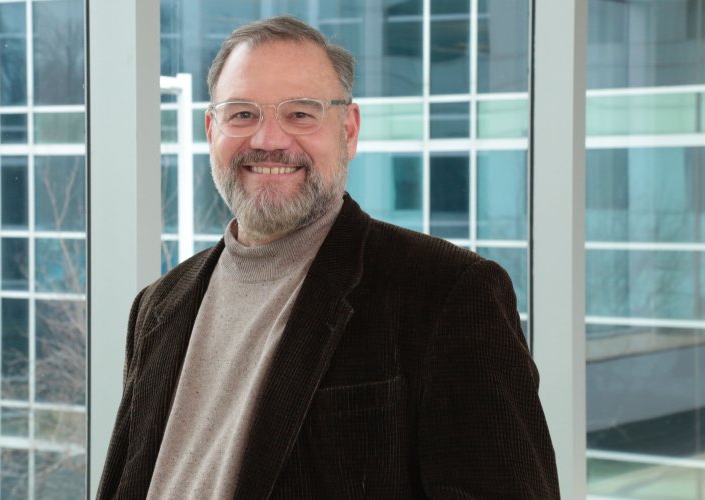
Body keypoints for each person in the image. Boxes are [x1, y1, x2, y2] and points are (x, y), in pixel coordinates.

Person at [97, 15, 560, 499]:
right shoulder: (156, 307)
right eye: (242, 114)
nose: (268, 139)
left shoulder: (448, 293)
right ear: (211, 129)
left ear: (349, 130)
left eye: (301, 113)